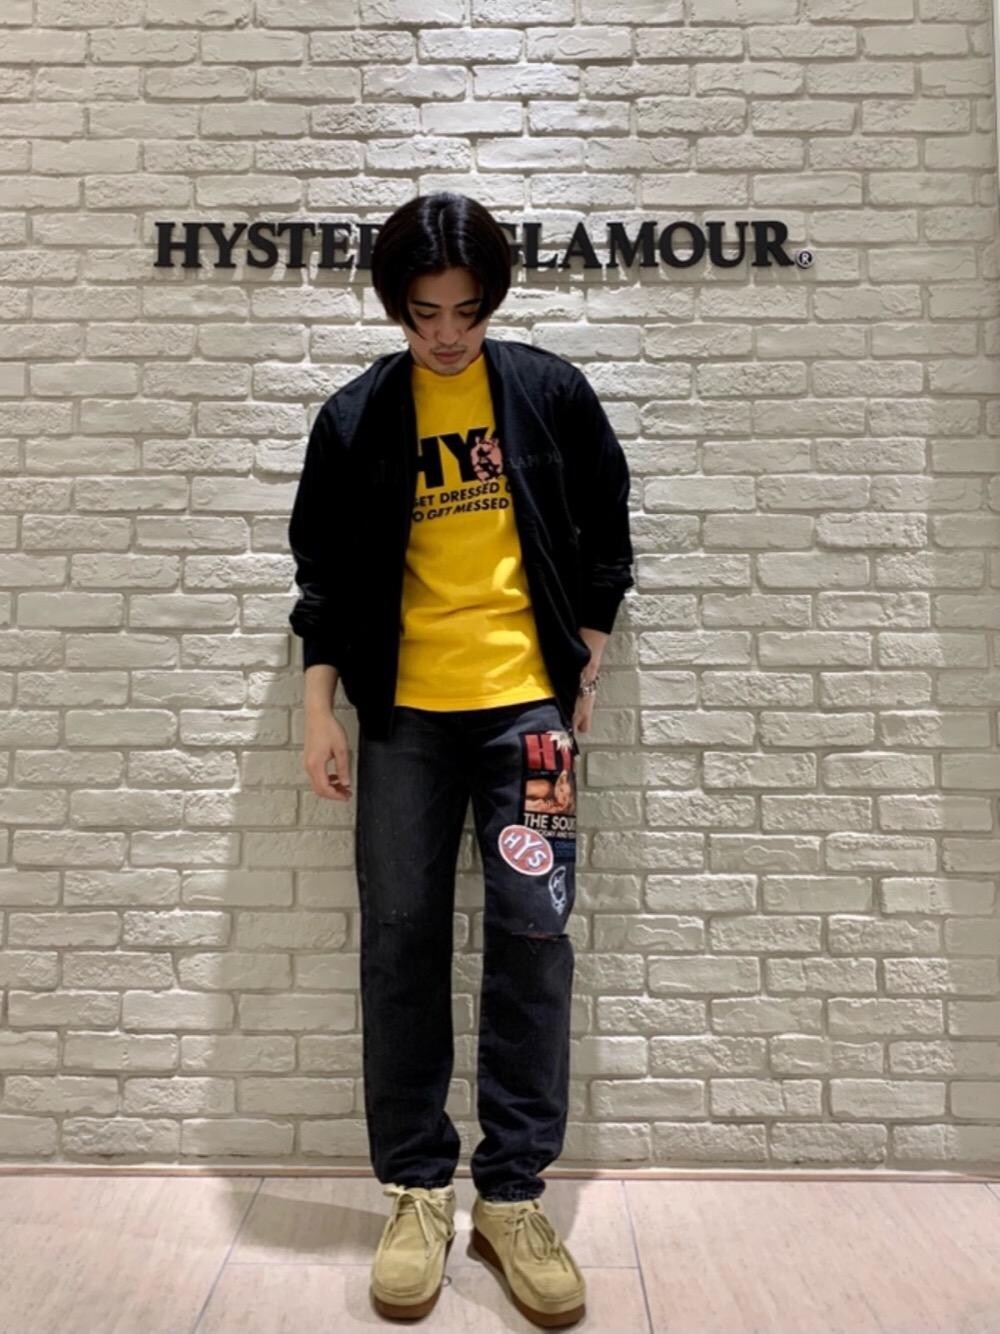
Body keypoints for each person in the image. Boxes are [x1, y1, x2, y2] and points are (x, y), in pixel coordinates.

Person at [287, 191, 634, 1327]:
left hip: (526, 718)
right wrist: (319, 710)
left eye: (467, 312)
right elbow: (322, 579)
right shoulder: (355, 417)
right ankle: (417, 1190)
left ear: (493, 302)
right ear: (396, 306)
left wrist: (583, 660)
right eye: (424, 313)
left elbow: (608, 534)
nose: (446, 334)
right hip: (402, 720)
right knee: (400, 942)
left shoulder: (548, 393)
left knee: (535, 940)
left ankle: (513, 1196)